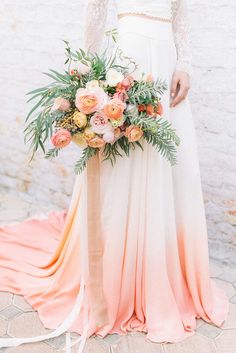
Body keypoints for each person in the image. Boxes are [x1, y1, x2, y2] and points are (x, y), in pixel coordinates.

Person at [0, 1, 229, 352]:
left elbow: (180, 9)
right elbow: (95, 9)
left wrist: (184, 63)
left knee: (165, 160)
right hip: (130, 53)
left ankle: (158, 270)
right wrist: (87, 73)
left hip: (165, 59)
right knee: (122, 160)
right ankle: (112, 277)